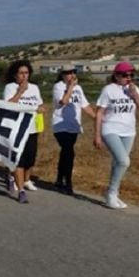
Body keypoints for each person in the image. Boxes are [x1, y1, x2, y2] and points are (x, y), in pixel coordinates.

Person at [94, 62, 139, 209]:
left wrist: (134, 94)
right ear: (116, 75)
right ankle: (111, 193)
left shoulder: (134, 89)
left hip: (129, 131)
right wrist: (97, 135)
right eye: (125, 75)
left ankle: (113, 193)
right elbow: (99, 113)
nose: (128, 78)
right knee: (124, 161)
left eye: (131, 75)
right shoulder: (108, 90)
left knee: (118, 163)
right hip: (110, 129)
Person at [3, 60, 44, 204]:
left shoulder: (34, 88)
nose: (24, 76)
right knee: (19, 159)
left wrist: (41, 108)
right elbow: (8, 105)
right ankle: (21, 191)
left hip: (32, 128)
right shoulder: (10, 87)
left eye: (26, 73)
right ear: (15, 75)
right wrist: (20, 92)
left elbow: (39, 104)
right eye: (21, 73)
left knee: (30, 158)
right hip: (16, 129)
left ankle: (12, 175)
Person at [52, 65, 95, 195]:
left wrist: (97, 118)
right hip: (60, 125)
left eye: (73, 72)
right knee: (69, 152)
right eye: (67, 73)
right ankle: (68, 182)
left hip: (73, 126)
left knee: (66, 153)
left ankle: (59, 179)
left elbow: (85, 105)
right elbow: (63, 102)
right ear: (62, 74)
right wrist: (70, 86)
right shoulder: (58, 86)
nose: (71, 75)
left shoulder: (79, 88)